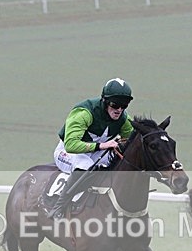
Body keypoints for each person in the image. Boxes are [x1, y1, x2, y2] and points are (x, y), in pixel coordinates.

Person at [47, 78, 135, 218]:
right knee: (86, 165)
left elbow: (132, 139)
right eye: (115, 104)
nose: (119, 110)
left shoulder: (123, 118)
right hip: (68, 152)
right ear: (105, 101)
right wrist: (102, 145)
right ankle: (59, 207)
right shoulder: (84, 113)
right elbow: (71, 145)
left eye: (124, 105)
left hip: (96, 153)